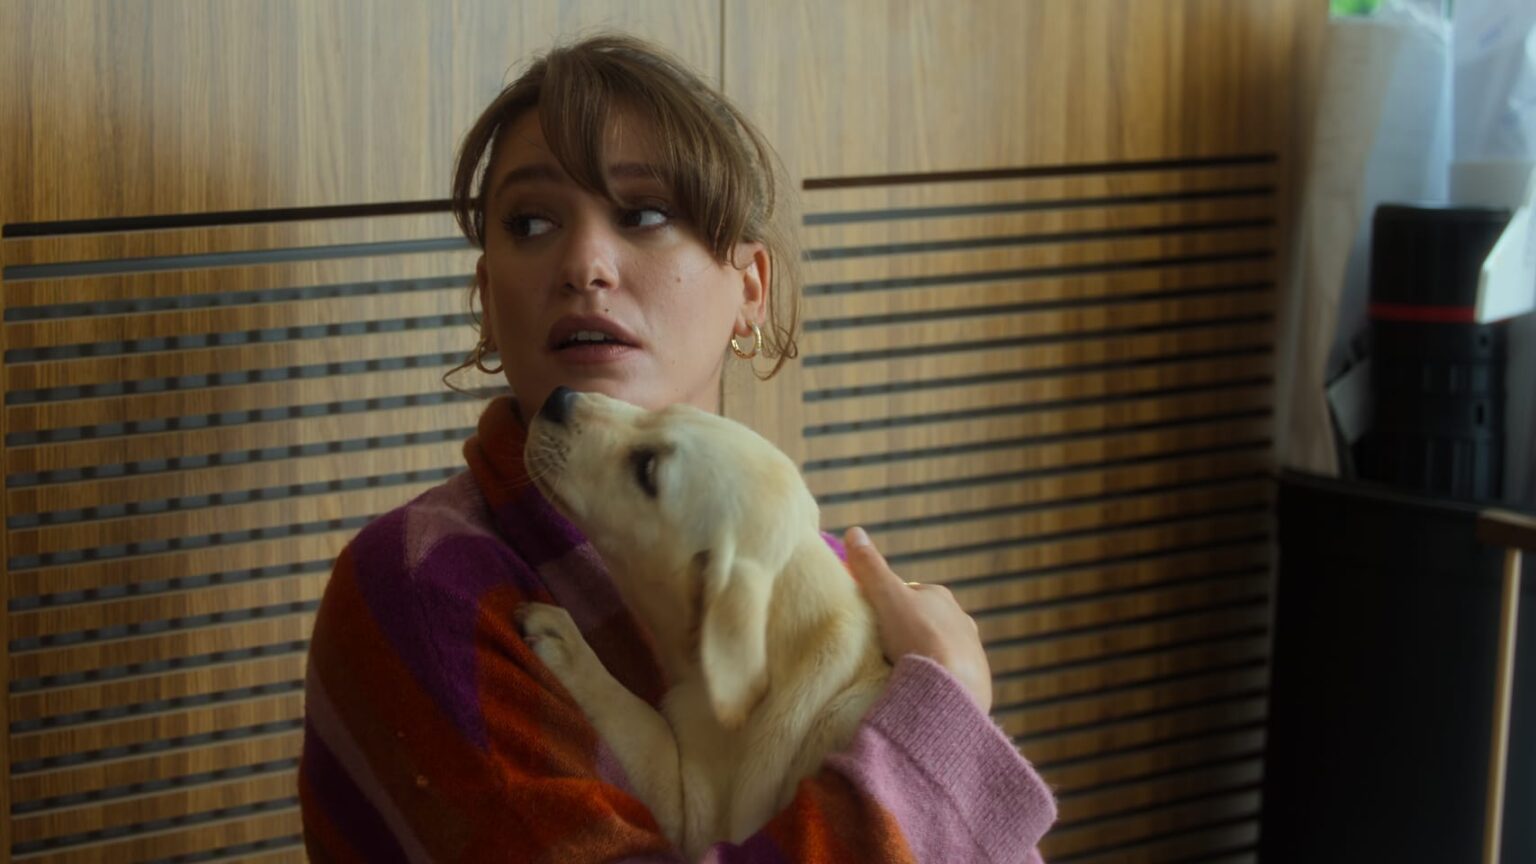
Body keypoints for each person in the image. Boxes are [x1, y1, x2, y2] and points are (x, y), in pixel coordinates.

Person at [299, 34, 1056, 862]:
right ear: (486, 299)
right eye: (532, 222)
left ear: (751, 288)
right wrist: (940, 727)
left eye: (644, 214)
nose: (584, 264)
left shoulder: (826, 594)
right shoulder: (422, 588)